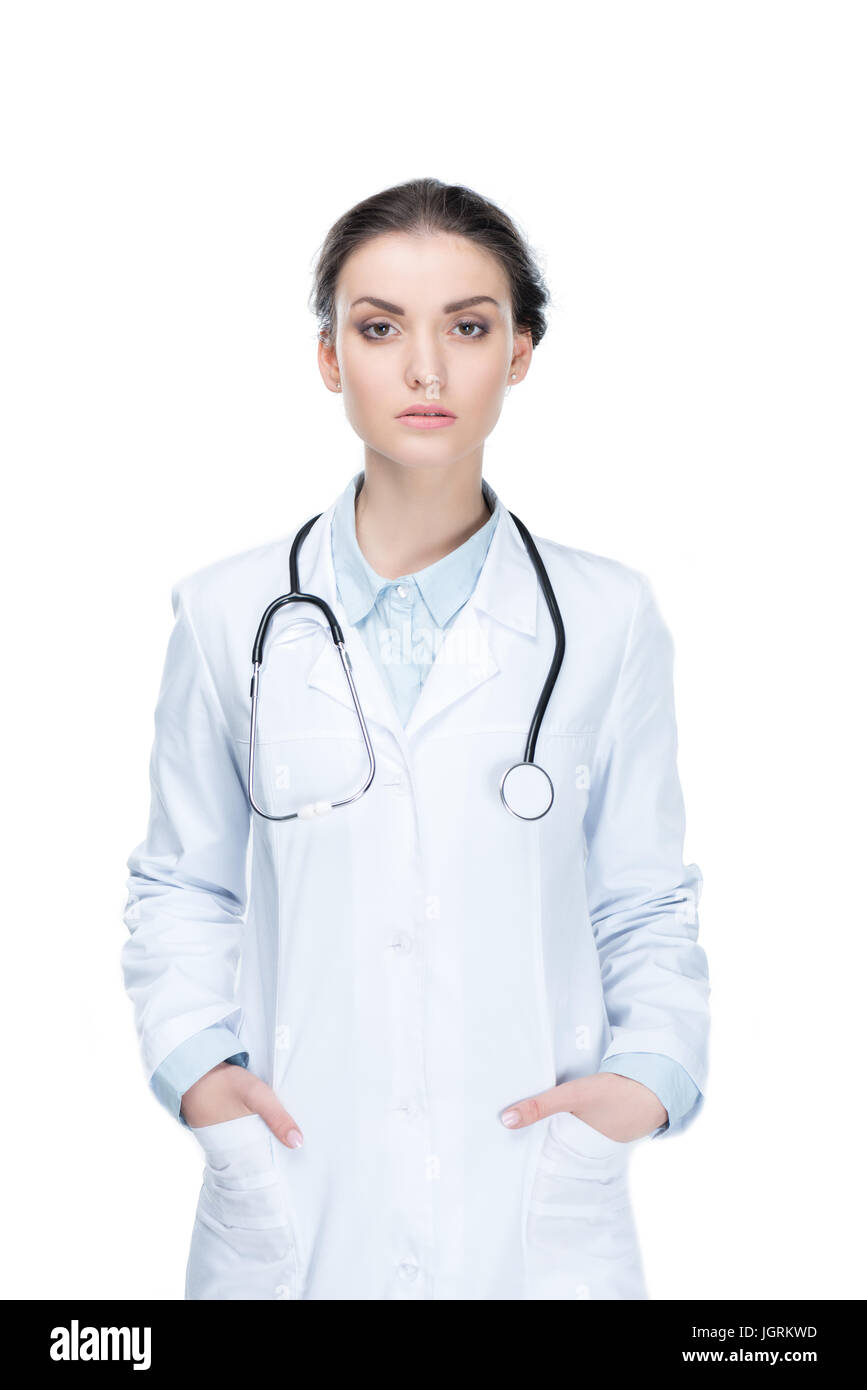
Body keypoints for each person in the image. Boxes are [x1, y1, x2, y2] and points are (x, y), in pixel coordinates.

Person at [122, 177, 710, 1301]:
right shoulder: (224, 612)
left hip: (537, 1207)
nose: (426, 370)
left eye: (470, 327)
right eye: (381, 327)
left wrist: (650, 1074)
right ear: (332, 358)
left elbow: (643, 895)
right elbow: (182, 884)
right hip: (296, 1195)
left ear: (522, 352)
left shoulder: (608, 615)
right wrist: (199, 1069)